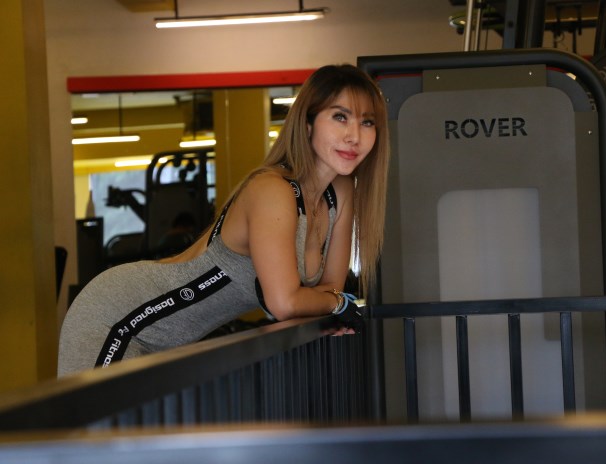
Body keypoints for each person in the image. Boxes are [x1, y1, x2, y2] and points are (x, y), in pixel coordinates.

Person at [57, 64, 390, 376]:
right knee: (95, 421)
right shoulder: (272, 190)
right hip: (119, 318)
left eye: (367, 122)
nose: (354, 136)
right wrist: (337, 303)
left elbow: (329, 289)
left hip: (170, 339)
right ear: (308, 123)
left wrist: (332, 302)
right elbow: (287, 303)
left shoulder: (340, 192)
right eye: (340, 117)